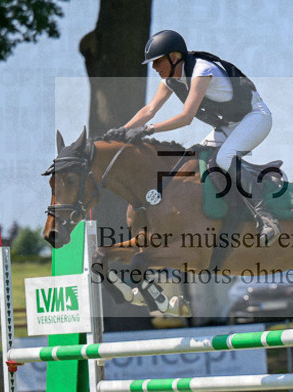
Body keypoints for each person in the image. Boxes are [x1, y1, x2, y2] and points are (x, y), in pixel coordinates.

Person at [113, 29, 280, 245]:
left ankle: (266, 218)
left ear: (174, 58)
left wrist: (148, 130)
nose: (154, 68)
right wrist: (121, 131)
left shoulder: (202, 70)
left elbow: (186, 117)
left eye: (157, 62)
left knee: (223, 158)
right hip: (229, 125)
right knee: (193, 160)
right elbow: (149, 110)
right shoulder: (170, 79)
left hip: (255, 118)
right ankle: (235, 199)